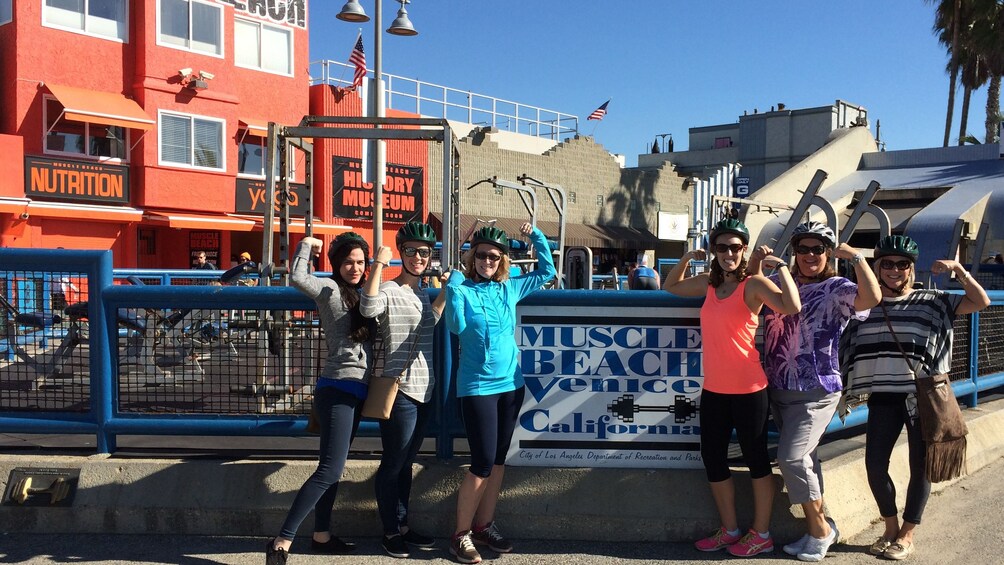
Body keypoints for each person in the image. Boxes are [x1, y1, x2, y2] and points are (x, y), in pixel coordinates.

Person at [840, 235, 989, 561]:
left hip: (920, 396)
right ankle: (890, 527)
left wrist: (959, 270)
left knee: (920, 466)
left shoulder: (933, 299)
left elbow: (980, 302)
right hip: (882, 395)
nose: (895, 270)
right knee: (875, 465)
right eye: (887, 264)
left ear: (911, 268)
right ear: (877, 267)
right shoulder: (865, 302)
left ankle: (908, 534)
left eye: (902, 264)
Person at [662, 218, 801, 558]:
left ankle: (762, 533)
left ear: (744, 250)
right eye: (721, 247)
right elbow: (671, 286)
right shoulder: (709, 284)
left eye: (736, 248)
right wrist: (686, 258)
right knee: (713, 458)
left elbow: (792, 306)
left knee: (756, 460)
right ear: (714, 250)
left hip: (750, 388)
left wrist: (780, 268)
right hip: (714, 389)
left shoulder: (753, 284)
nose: (729, 254)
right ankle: (730, 529)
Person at [755, 221, 881, 562]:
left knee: (791, 457)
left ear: (828, 253)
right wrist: (757, 263)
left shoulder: (837, 287)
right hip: (779, 385)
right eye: (803, 248)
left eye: (818, 249)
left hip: (817, 388)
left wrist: (856, 258)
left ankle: (822, 529)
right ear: (794, 253)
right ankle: (816, 529)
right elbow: (746, 294)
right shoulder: (787, 285)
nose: (810, 255)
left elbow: (871, 297)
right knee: (806, 459)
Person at [443, 222, 556, 564]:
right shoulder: (462, 288)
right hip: (477, 388)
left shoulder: (510, 288)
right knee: (480, 464)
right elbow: (456, 327)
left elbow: (548, 271)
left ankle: (484, 525)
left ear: (502, 259)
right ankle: (459, 536)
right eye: (480, 255)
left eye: (493, 256)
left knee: (498, 460)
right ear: (471, 257)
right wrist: (451, 289)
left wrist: (536, 236)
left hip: (512, 385)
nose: (487, 261)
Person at [265, 232, 375, 565]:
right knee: (329, 469)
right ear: (337, 264)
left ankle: (322, 535)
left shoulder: (367, 294)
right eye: (347, 262)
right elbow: (298, 277)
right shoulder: (329, 290)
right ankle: (282, 541)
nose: (354, 268)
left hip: (358, 391)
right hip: (338, 388)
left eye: (360, 262)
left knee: (333, 468)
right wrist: (306, 247)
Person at [360, 222, 447, 559]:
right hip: (399, 392)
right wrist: (378, 264)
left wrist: (446, 293)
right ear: (401, 252)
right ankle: (390, 531)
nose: (417, 257)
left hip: (426, 389)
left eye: (424, 252)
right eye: (410, 250)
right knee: (394, 463)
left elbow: (430, 324)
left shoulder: (421, 293)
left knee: (408, 462)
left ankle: (403, 525)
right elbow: (367, 309)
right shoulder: (388, 290)